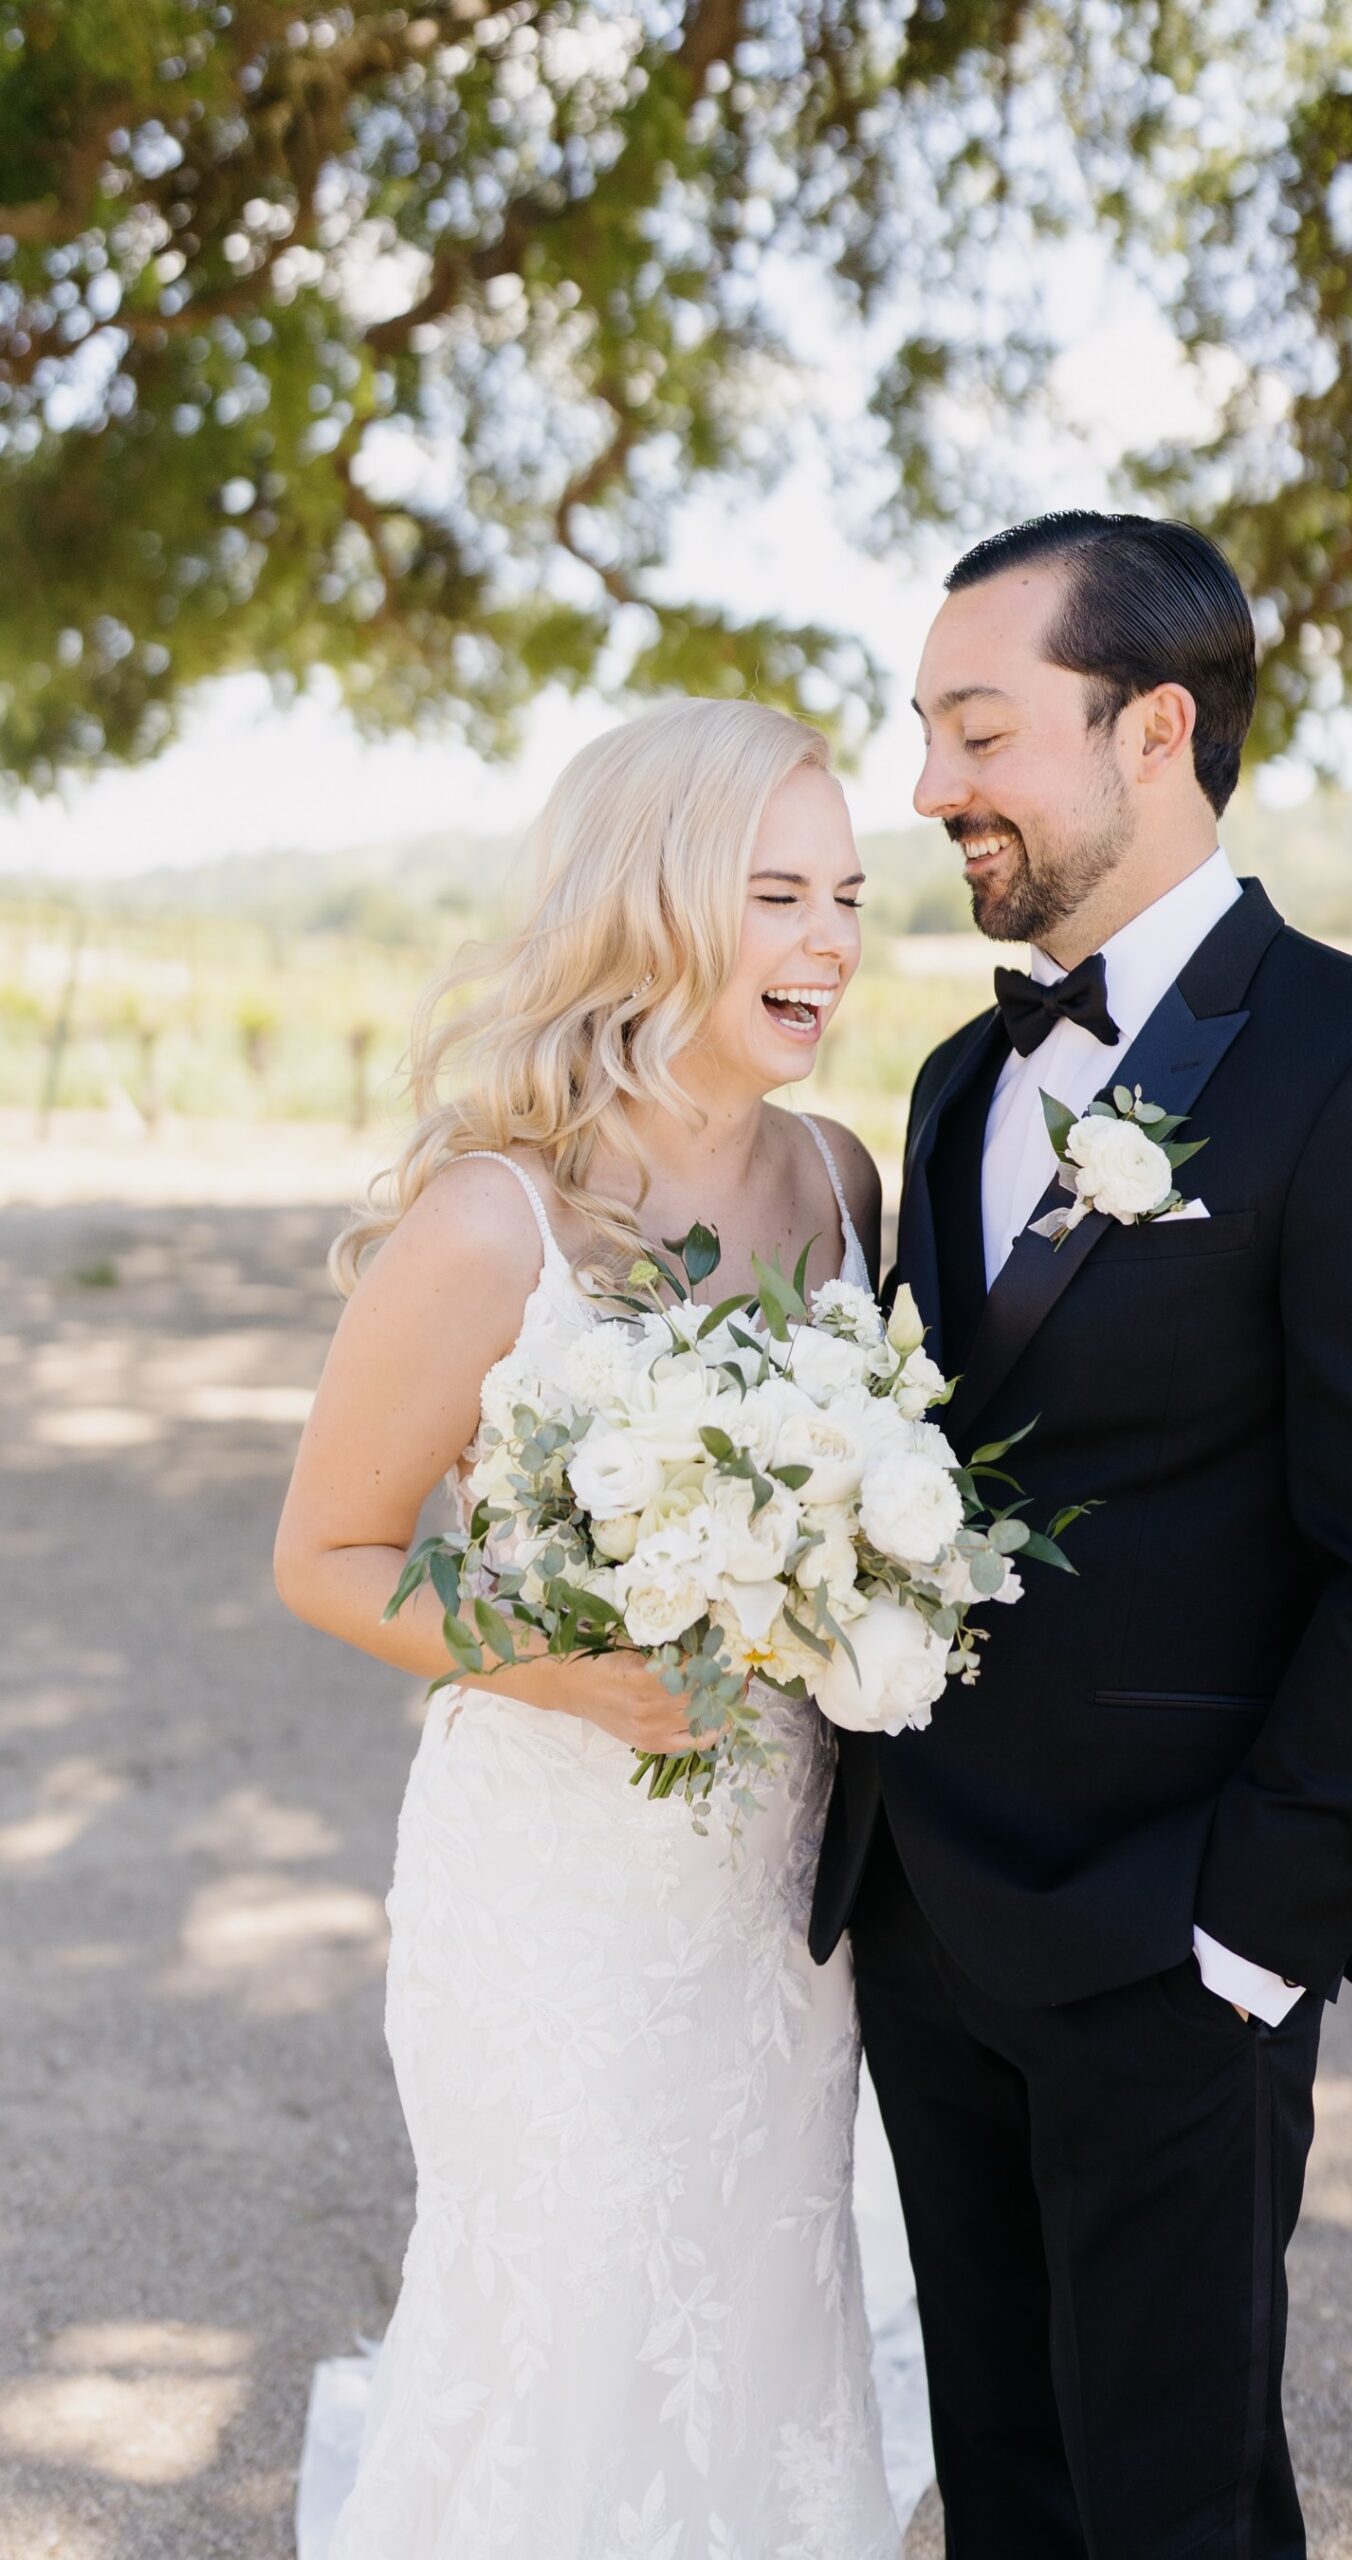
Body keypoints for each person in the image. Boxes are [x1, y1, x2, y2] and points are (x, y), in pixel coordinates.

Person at [811, 511, 1352, 2558]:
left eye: (973, 727)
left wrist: (1243, 1938)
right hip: (927, 1914)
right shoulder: (958, 1077)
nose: (931, 783)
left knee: (1173, 2504)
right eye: (923, 733)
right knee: (1010, 2488)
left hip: (1167, 1942)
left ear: (1148, 729)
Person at [274, 698, 900, 2560]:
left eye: (850, 896)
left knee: (765, 2323)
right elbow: (329, 1548)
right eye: (777, 894)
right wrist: (579, 1677)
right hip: (555, 1892)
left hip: (782, 1888)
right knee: (569, 2343)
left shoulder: (844, 1181)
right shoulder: (493, 1220)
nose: (832, 944)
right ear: (658, 908)